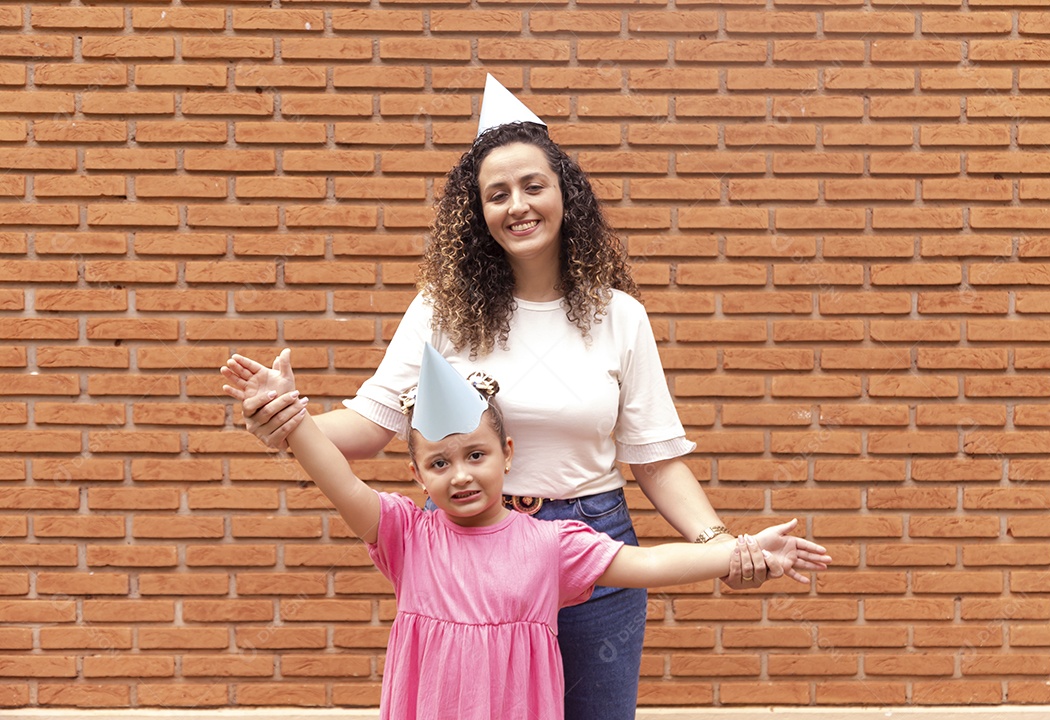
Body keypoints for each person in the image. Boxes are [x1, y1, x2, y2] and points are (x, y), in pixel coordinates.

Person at [221, 75, 831, 719]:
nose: (518, 205)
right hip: (468, 544)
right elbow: (372, 426)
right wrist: (289, 421)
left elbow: (654, 458)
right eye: (497, 193)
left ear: (564, 192)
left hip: (590, 541)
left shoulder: (620, 316)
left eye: (533, 186)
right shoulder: (441, 311)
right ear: (478, 212)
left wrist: (721, 546)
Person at [228, 343, 830, 720]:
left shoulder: (551, 544)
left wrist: (741, 551)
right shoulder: (406, 537)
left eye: (475, 455)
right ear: (416, 474)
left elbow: (648, 566)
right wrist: (294, 419)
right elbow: (339, 479)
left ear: (507, 453)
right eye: (439, 463)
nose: (460, 475)